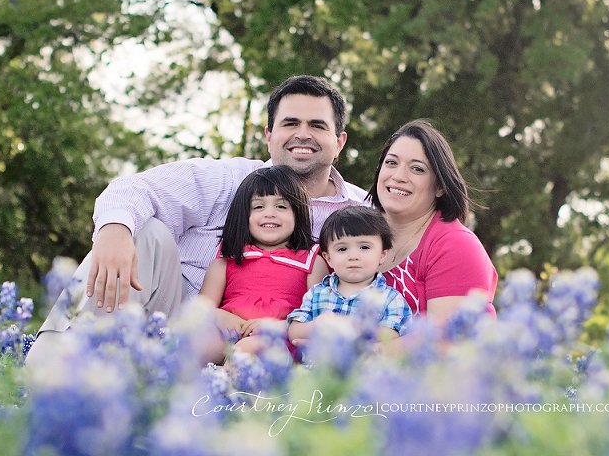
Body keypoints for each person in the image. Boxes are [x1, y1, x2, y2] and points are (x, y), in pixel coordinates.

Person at [25, 75, 368, 365]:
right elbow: (135, 188)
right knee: (142, 230)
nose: (302, 134)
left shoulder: (361, 212)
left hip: (283, 343)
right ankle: (57, 363)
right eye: (290, 123)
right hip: (181, 324)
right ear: (268, 135)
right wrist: (114, 231)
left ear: (339, 142)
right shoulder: (228, 178)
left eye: (317, 126)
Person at [367, 119, 497, 345]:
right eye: (391, 162)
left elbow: (444, 343)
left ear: (439, 187)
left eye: (417, 168)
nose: (398, 176)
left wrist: (361, 357)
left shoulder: (456, 245)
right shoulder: (356, 231)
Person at [196, 165, 329, 364]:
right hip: (229, 333)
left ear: (297, 213)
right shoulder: (227, 259)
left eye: (281, 206)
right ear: (244, 215)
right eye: (258, 207)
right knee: (198, 346)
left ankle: (230, 384)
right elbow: (199, 310)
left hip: (279, 341)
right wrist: (219, 315)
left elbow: (318, 319)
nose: (270, 214)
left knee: (247, 349)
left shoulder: (311, 260)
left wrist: (279, 327)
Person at [287, 206, 411, 346]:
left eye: (364, 247)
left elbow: (393, 333)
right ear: (328, 258)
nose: (353, 256)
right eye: (342, 249)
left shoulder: (390, 298)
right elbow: (294, 332)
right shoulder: (316, 293)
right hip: (320, 359)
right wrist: (317, 325)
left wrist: (355, 329)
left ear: (382, 254)